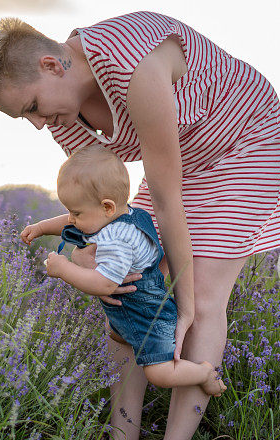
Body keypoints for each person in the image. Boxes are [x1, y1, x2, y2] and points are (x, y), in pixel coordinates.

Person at [0, 11, 280, 440]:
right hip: (183, 164)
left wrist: (179, 298)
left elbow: (166, 191)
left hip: (243, 148)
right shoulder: (64, 108)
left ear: (52, 64)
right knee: (126, 287)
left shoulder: (133, 67)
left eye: (33, 107)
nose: (40, 124)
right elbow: (98, 203)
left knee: (201, 298)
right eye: (25, 117)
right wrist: (96, 262)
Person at [22, 144, 228, 397]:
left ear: (107, 207)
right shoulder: (118, 215)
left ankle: (204, 373)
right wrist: (42, 227)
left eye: (75, 212)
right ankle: (128, 335)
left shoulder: (118, 240)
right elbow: (69, 223)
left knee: (160, 374)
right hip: (128, 315)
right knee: (119, 336)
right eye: (69, 211)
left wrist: (63, 269)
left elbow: (104, 285)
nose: (71, 218)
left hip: (149, 317)